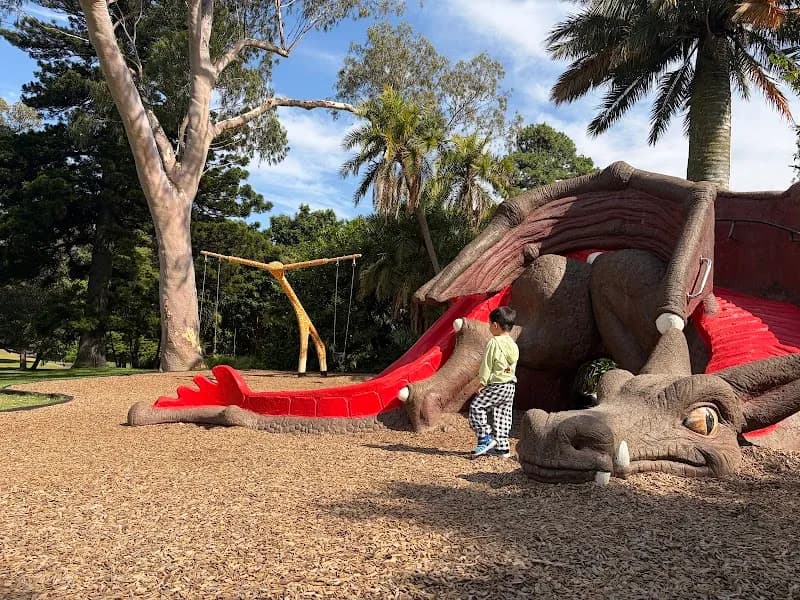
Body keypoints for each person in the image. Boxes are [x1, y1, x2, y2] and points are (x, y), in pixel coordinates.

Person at [469, 306, 519, 458]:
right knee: (503, 415)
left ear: (495, 325)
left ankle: (485, 439)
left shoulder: (494, 343)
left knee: (476, 407)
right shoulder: (514, 345)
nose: (489, 327)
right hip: (510, 386)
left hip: (497, 385)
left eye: (489, 324)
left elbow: (487, 365)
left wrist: (482, 383)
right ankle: (503, 448)